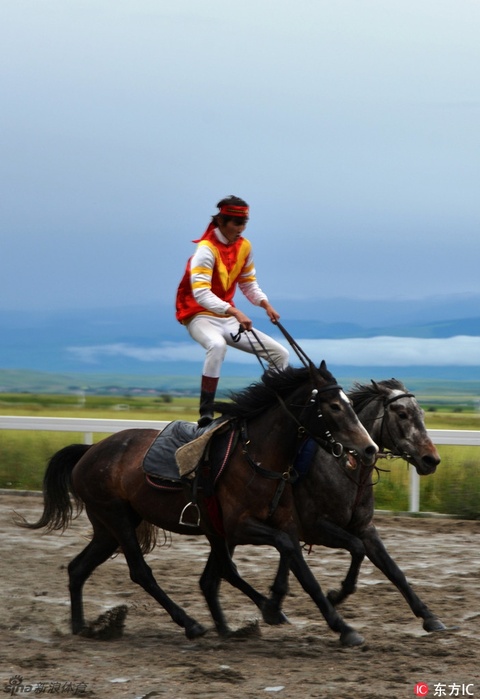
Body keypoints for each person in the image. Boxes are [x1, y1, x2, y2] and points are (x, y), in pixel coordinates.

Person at [175, 195, 289, 426]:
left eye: (244, 223)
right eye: (237, 224)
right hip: (199, 316)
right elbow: (202, 294)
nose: (241, 229)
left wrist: (264, 303)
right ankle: (206, 411)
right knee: (216, 346)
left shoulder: (244, 247)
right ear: (222, 222)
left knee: (281, 355)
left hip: (227, 317)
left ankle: (266, 406)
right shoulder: (205, 250)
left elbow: (247, 282)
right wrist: (235, 312)